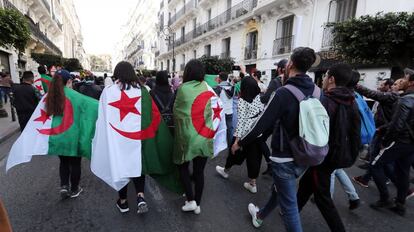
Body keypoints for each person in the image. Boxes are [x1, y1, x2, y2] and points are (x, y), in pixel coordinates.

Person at [234, 47, 317, 231]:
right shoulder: (317, 91)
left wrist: (239, 142)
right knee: (279, 189)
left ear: (290, 64)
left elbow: (260, 125)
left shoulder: (284, 92)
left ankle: (261, 215)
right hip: (305, 155)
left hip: (284, 157)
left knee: (289, 207)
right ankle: (260, 215)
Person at [296, 63, 360, 232]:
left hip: (325, 157)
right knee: (306, 183)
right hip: (339, 155)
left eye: (325, 76)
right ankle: (292, 210)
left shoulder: (326, 101)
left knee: (322, 198)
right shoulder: (351, 100)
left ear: (331, 79)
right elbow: (355, 132)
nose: (323, 79)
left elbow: (315, 131)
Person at [173, 59, 226, 215]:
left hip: (187, 137)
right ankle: (198, 204)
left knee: (182, 167)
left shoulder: (183, 88)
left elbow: (176, 111)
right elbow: (218, 109)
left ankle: (191, 200)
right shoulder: (209, 88)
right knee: (199, 172)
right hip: (204, 135)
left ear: (188, 72)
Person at [370, 68, 414, 216]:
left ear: (412, 82)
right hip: (410, 143)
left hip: (400, 141)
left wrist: (386, 141)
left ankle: (384, 198)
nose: (403, 80)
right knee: (403, 172)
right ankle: (400, 204)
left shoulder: (406, 99)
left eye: (406, 78)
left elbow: (397, 124)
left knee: (375, 165)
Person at [216, 77, 264, 193]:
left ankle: (226, 171)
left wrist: (237, 141)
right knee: (255, 158)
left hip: (244, 135)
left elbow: (241, 121)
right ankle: (253, 183)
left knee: (234, 153)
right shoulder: (259, 97)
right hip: (257, 133)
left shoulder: (242, 100)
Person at [352, 78, 400, 188]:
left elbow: (371, 94)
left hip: (382, 132)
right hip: (382, 131)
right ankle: (366, 179)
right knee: (377, 159)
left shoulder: (392, 96)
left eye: (396, 84)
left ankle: (394, 191)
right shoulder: (395, 97)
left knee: (377, 161)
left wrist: (356, 85)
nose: (394, 86)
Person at [45, 70, 83, 199]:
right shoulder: (76, 96)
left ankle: (64, 186)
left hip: (58, 136)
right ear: (69, 81)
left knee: (64, 162)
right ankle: (74, 189)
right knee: (76, 163)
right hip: (73, 136)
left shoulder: (49, 96)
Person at [260, 59, 287, 175]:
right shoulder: (289, 82)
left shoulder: (275, 81)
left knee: (259, 139)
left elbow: (265, 99)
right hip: (284, 119)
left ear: (280, 69)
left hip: (272, 118)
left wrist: (262, 93)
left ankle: (271, 163)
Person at [214, 72, 234, 145]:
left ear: (219, 78)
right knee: (230, 130)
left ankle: (218, 147)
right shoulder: (232, 86)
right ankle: (231, 148)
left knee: (218, 130)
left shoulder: (217, 88)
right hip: (230, 111)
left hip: (221, 113)